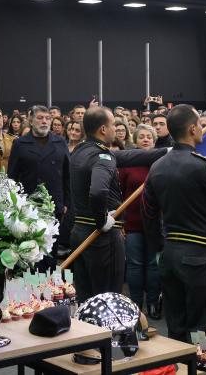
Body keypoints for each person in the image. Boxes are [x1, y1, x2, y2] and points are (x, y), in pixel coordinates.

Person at [142, 104, 206, 343]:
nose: (201, 128)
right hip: (200, 254)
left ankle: (178, 363)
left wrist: (159, 247)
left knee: (176, 326)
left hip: (169, 253)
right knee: (201, 329)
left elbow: (148, 212)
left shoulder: (157, 166)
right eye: (199, 124)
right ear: (191, 129)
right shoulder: (202, 165)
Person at [69, 107, 167, 299]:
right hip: (101, 237)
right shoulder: (102, 156)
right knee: (107, 296)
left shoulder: (81, 151)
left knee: (86, 295)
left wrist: (167, 151)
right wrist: (101, 220)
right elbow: (98, 191)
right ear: (103, 129)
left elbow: (126, 157)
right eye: (113, 124)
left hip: (80, 231)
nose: (116, 128)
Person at [7, 105, 70, 267]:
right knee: (31, 251)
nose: (44, 121)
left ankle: (49, 281)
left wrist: (66, 203)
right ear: (31, 120)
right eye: (40, 118)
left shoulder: (60, 142)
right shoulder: (20, 143)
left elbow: (67, 175)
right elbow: (12, 176)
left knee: (50, 249)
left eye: (47, 118)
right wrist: (14, 203)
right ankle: (32, 282)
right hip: (29, 206)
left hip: (53, 205)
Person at [119, 124, 162, 318]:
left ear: (154, 141)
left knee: (153, 264)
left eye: (149, 137)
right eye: (142, 136)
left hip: (155, 222)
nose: (145, 139)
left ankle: (152, 303)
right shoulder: (127, 163)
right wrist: (120, 222)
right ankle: (135, 306)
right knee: (135, 265)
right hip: (132, 222)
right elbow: (119, 195)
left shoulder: (161, 162)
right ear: (135, 141)